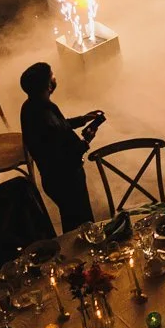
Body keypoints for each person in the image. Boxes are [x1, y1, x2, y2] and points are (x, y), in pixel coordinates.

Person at [17, 62, 103, 231]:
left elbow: (60, 126)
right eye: (53, 76)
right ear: (49, 85)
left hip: (52, 179)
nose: (55, 78)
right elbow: (64, 157)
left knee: (70, 218)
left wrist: (82, 119)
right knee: (80, 223)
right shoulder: (46, 116)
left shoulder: (31, 106)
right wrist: (86, 141)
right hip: (67, 181)